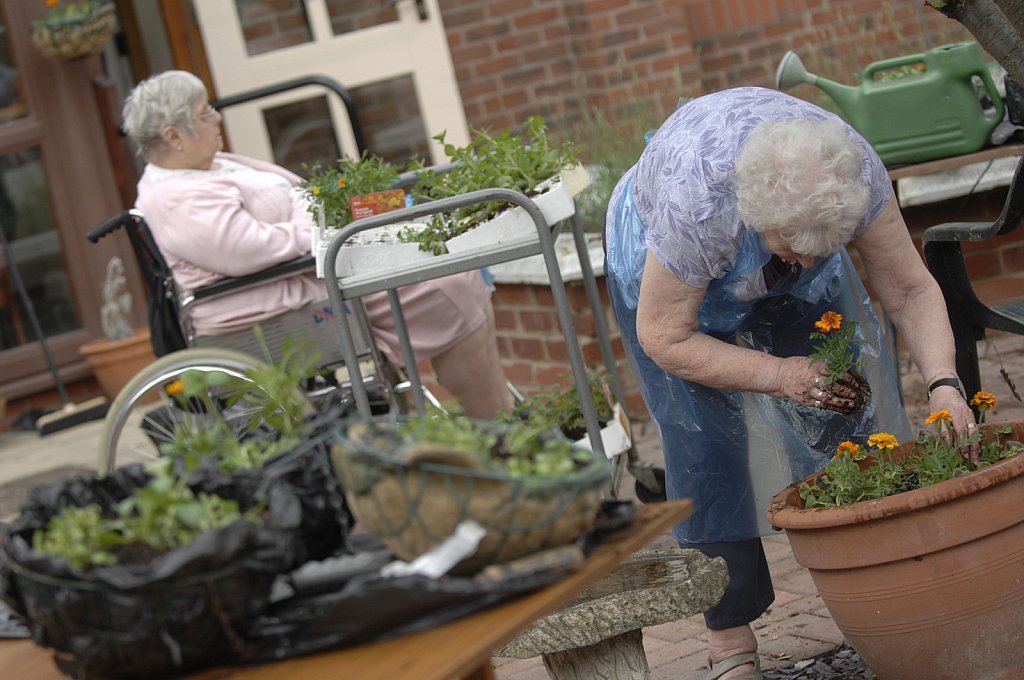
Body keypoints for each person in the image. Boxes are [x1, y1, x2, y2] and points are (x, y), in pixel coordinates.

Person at [603, 87, 977, 680]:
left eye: (821, 251)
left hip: (785, 215)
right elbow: (665, 337)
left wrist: (944, 384)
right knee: (706, 441)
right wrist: (780, 375)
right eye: (788, 250)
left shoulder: (852, 175)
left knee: (842, 398)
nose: (802, 267)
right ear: (758, 218)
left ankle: (874, 589)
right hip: (662, 268)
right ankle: (730, 636)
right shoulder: (697, 210)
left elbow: (909, 288)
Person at [121, 70, 513, 420]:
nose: (217, 117)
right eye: (205, 113)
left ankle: (498, 410)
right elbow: (251, 249)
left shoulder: (206, 165)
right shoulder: (174, 198)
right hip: (283, 293)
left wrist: (349, 211)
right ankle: (494, 420)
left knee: (440, 244)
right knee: (442, 279)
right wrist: (327, 227)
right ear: (173, 136)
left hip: (316, 260)